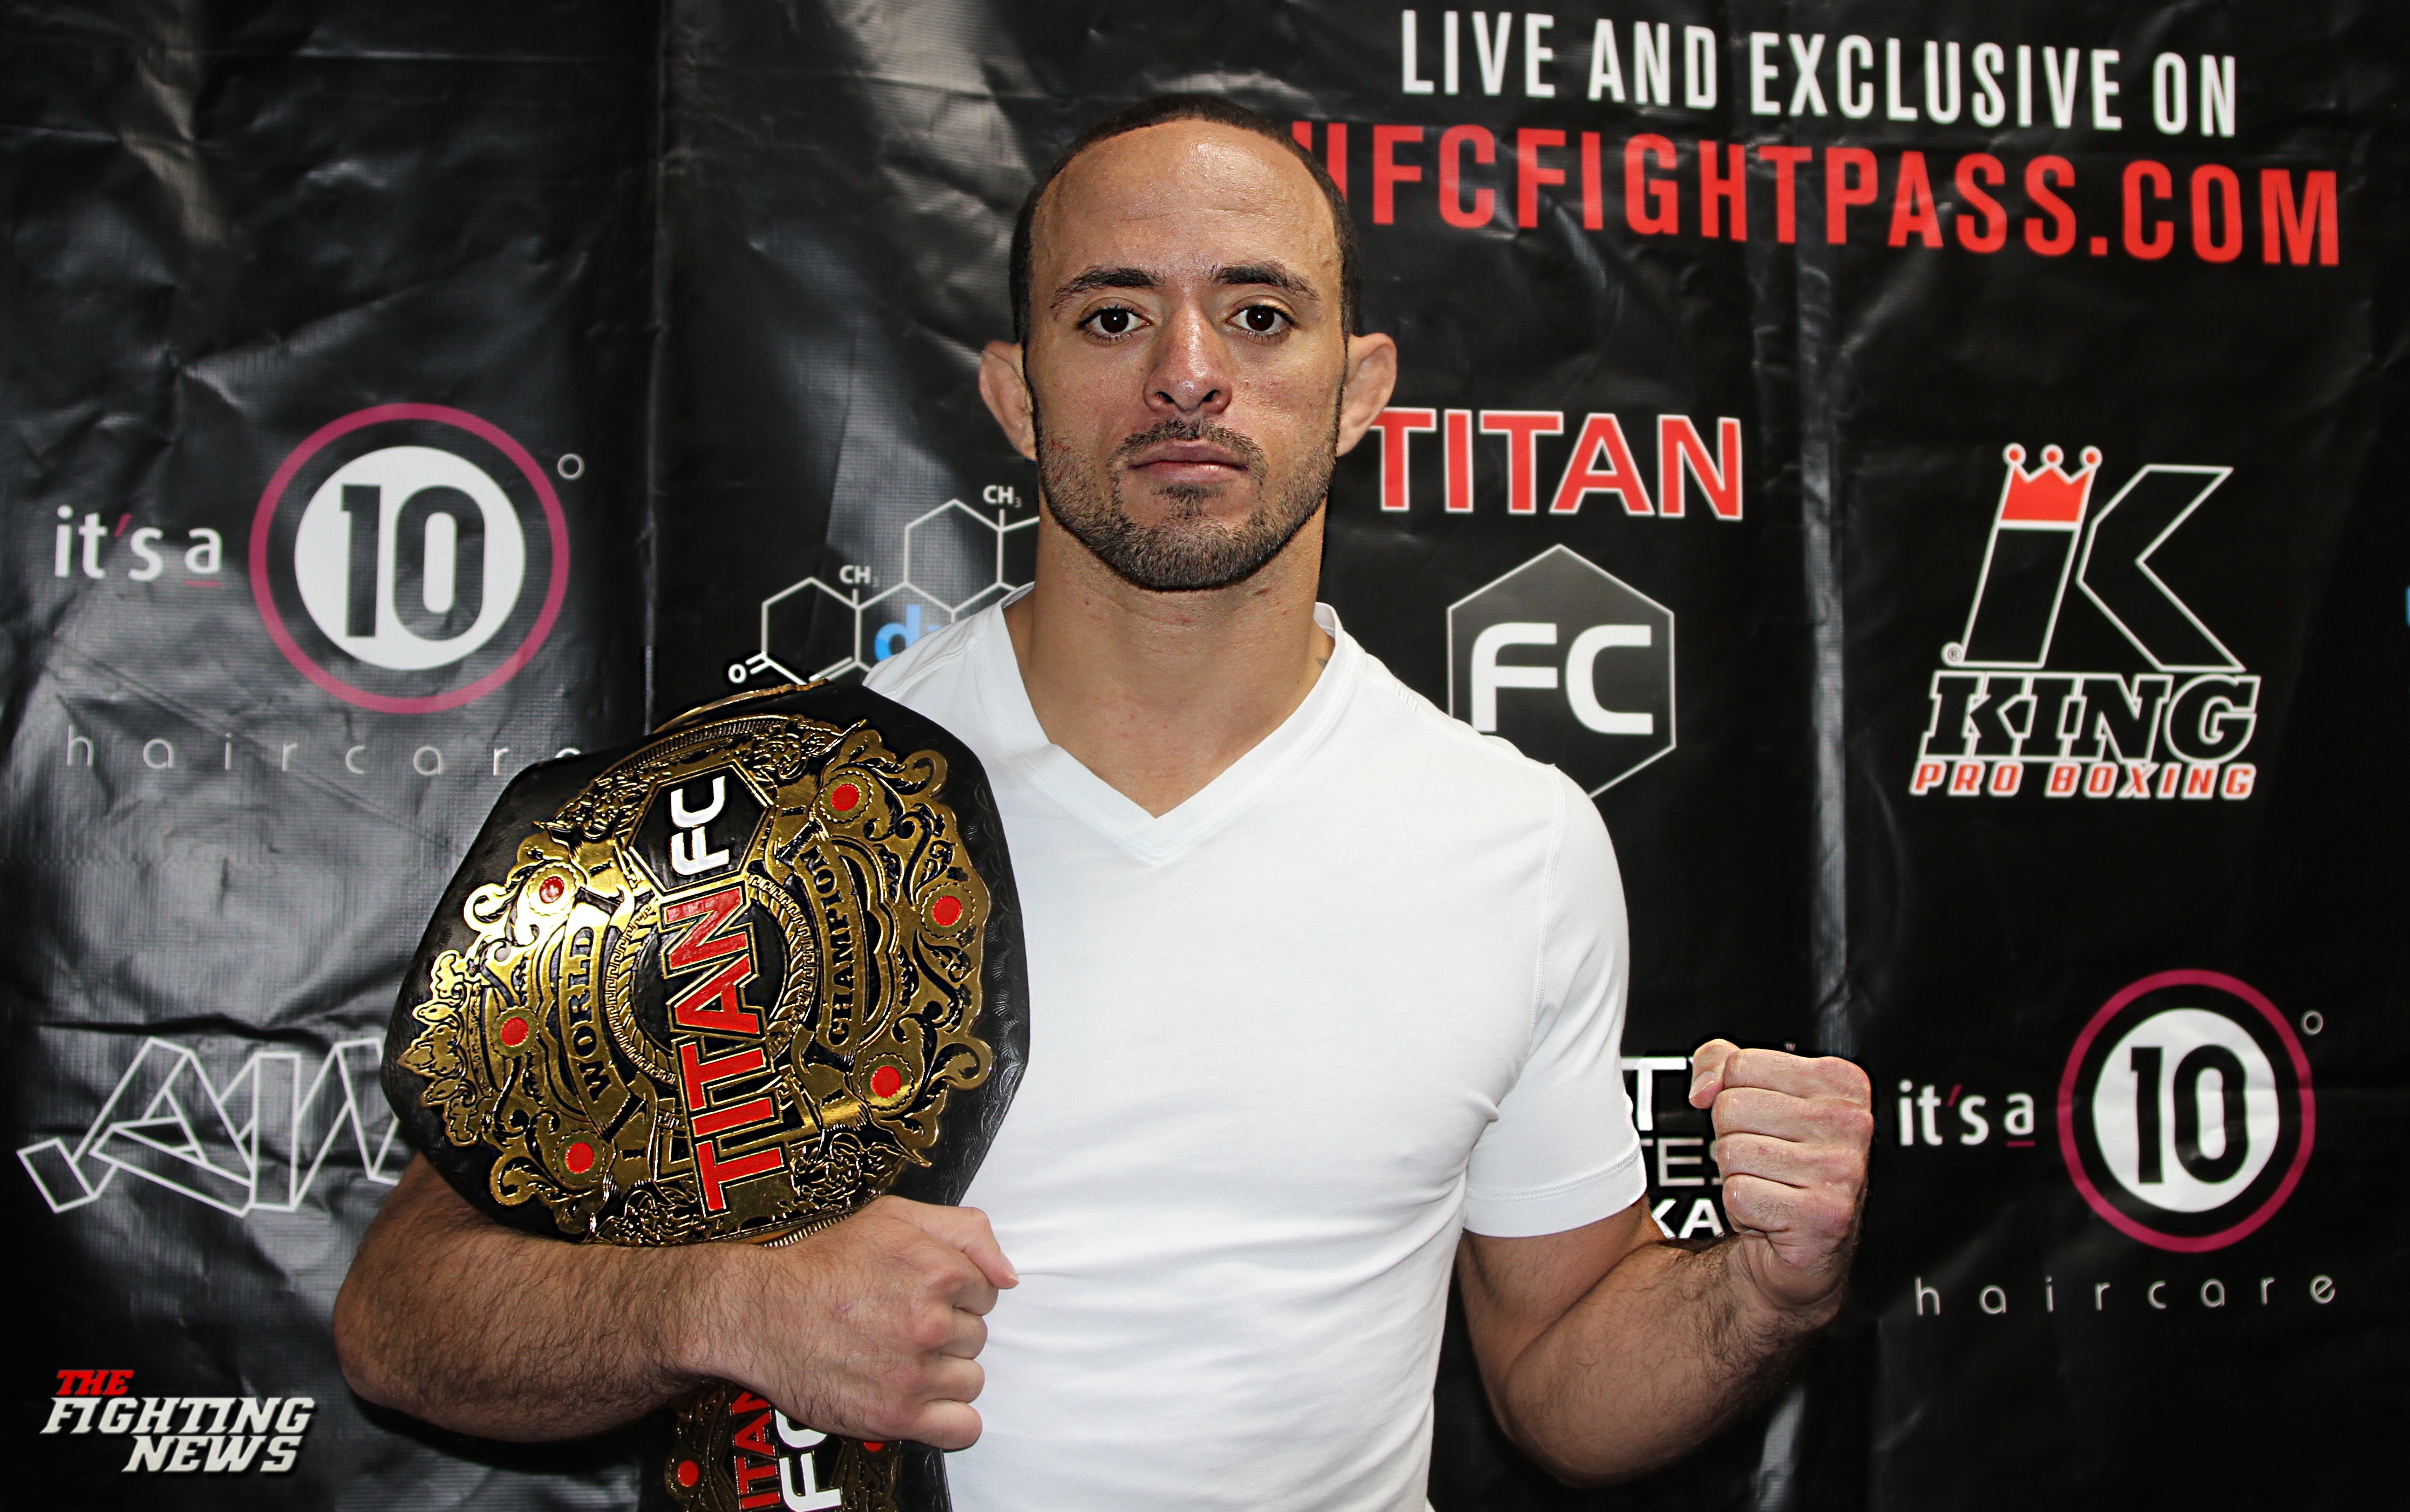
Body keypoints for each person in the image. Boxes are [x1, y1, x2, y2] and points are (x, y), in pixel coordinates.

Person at [335, 93, 1874, 1508]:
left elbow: (1558, 1379)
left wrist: (1764, 1290)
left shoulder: (1513, 842)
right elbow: (403, 1317)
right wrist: (721, 1304)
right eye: (1113, 315)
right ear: (1017, 394)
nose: (1187, 372)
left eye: (1259, 314)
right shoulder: (762, 813)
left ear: (1359, 390)